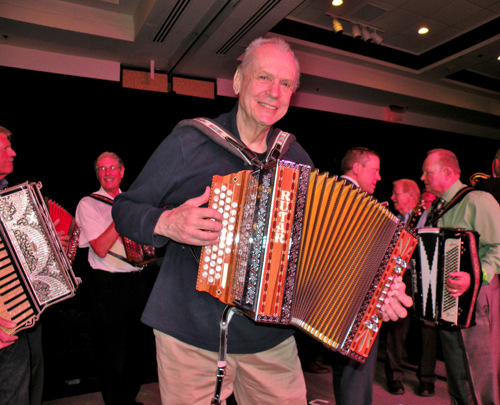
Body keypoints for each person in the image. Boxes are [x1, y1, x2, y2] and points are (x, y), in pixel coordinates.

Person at [112, 37, 412, 405]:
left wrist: (373, 290)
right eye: (264, 78)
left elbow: (322, 253)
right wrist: (167, 222)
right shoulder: (190, 141)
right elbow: (125, 210)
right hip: (190, 333)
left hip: (268, 338)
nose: (274, 92)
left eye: (285, 84)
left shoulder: (296, 158)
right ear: (238, 81)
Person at [421, 148, 500, 405]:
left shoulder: (478, 200)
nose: (422, 177)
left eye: (427, 172)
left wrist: (474, 276)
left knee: (481, 375)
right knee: (457, 375)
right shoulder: (437, 207)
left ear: (447, 172)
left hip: (478, 299)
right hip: (449, 302)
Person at [0, 125, 67, 405]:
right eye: (5, 147)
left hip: (18, 316)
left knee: (20, 393)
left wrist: (50, 247)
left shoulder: (11, 197)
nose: (13, 152)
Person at [75, 152, 149, 405]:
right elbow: (100, 248)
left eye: (112, 168)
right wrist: (123, 216)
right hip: (107, 285)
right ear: (97, 174)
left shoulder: (134, 202)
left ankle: (127, 400)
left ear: (122, 171)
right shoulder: (88, 203)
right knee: (111, 353)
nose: (107, 173)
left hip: (137, 281)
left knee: (137, 351)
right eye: (101, 169)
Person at [328, 147, 382, 405]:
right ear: (357, 168)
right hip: (354, 302)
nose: (379, 177)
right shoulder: (356, 201)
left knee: (343, 371)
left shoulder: (332, 192)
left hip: (327, 302)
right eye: (375, 170)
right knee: (356, 375)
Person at [385, 179, 437, 397]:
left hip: (425, 278)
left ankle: (427, 380)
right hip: (400, 278)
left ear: (411, 196)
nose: (392, 197)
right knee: (396, 328)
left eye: (396, 193)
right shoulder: (392, 218)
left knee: (428, 330)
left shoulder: (429, 215)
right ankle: (394, 377)